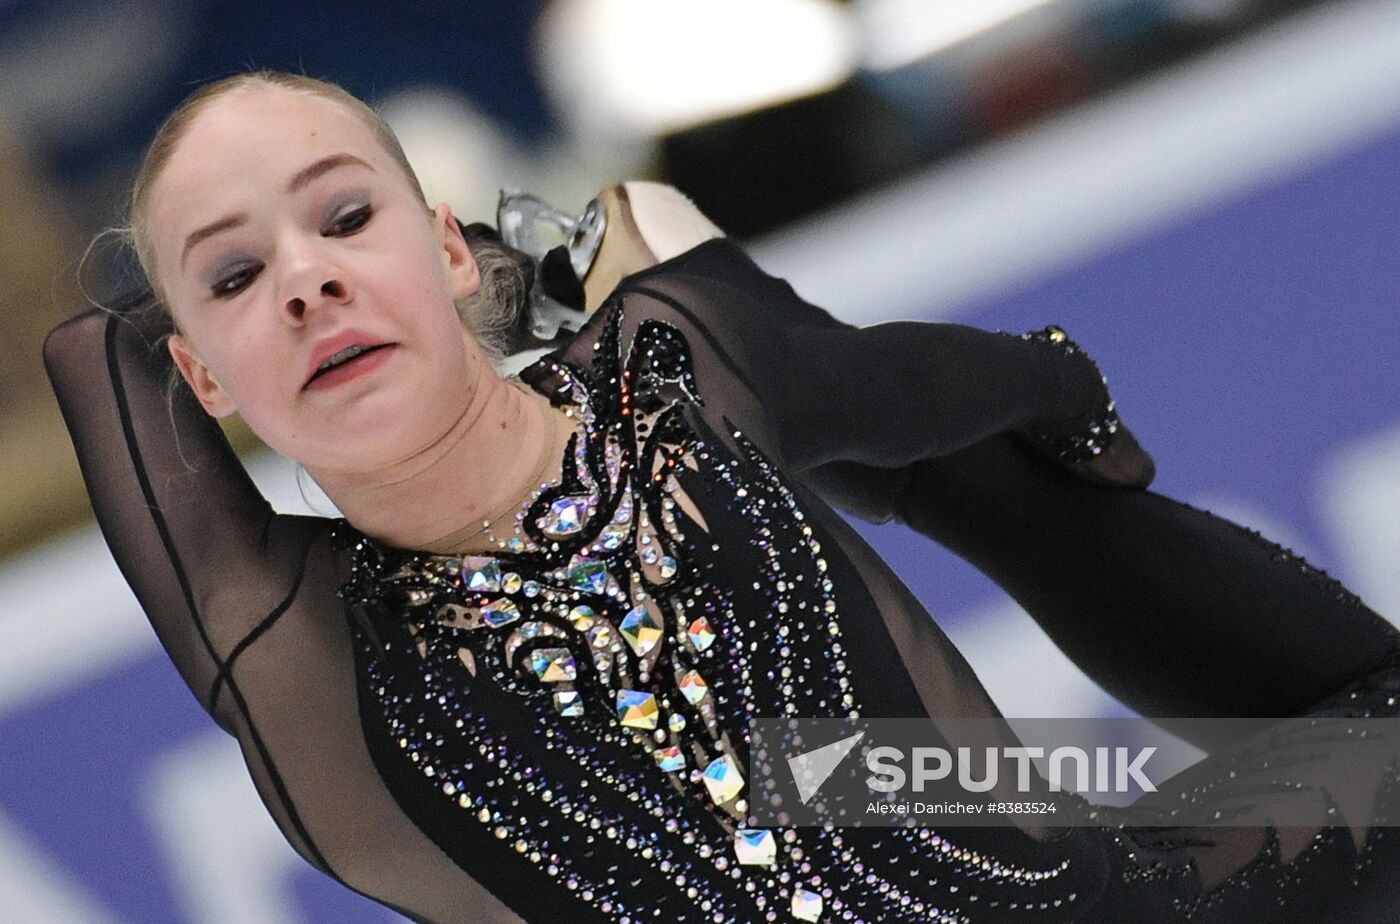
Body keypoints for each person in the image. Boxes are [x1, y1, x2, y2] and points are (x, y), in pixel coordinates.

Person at [44, 71, 1400, 923]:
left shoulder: (657, 382)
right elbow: (88, 353)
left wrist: (1057, 404)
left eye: (346, 220)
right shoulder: (291, 646)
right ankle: (662, 261)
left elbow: (965, 379)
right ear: (197, 378)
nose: (304, 279)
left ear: (447, 250)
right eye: (232, 277)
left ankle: (717, 308)